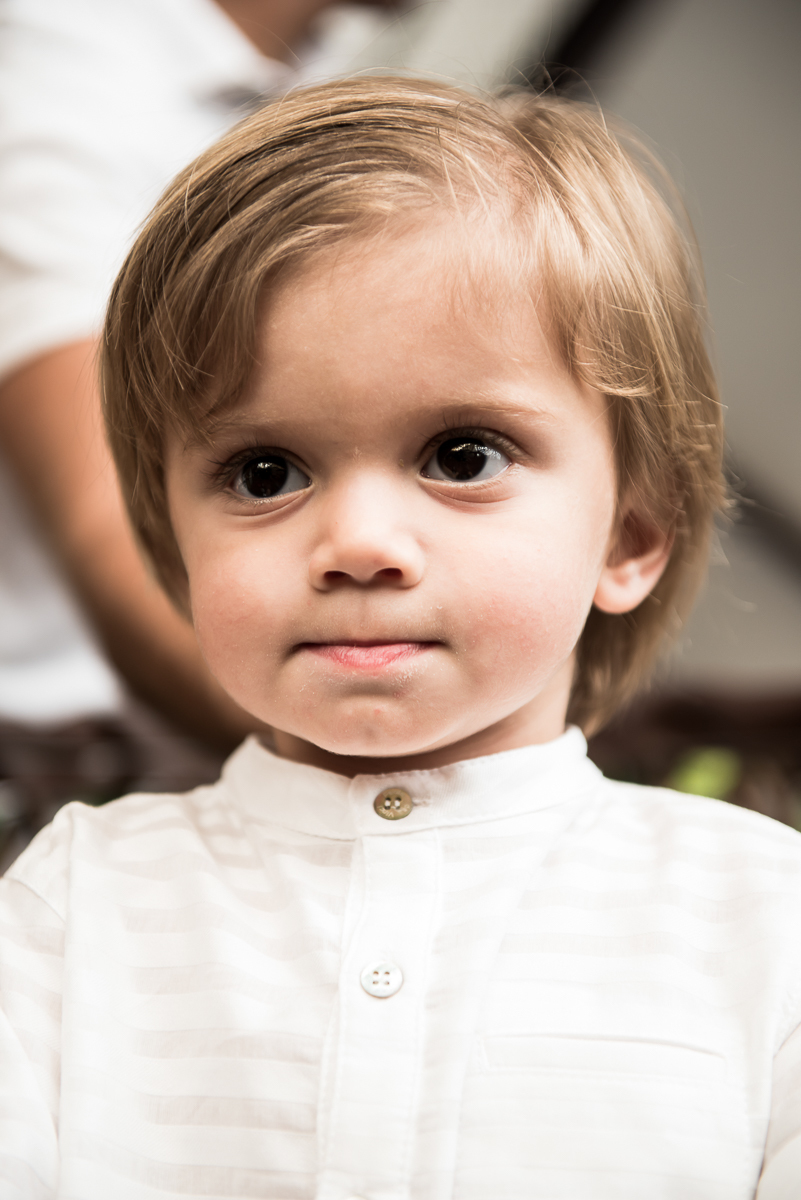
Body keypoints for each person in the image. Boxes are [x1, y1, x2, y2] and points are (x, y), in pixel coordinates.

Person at [1, 76, 799, 1197]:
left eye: (461, 456)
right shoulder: (73, 905)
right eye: (264, 474)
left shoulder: (762, 918)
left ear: (630, 535)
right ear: (177, 550)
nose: (359, 543)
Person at [0, 0, 395, 845]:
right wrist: (399, 766)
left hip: (142, 742)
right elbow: (110, 525)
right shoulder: (60, 84)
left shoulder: (303, 98)